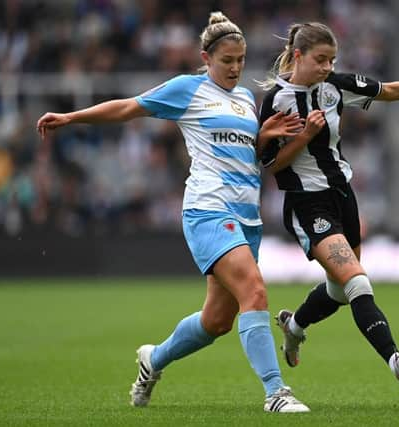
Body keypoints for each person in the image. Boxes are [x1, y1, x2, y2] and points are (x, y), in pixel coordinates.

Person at [36, 12, 310, 413]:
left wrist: (264, 136)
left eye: (240, 60)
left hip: (246, 217)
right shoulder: (188, 89)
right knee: (255, 290)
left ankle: (153, 360)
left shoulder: (246, 100)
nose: (235, 68)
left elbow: (250, 158)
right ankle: (275, 393)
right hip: (208, 211)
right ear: (205, 57)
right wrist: (72, 117)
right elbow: (130, 107)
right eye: (226, 61)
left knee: (216, 321)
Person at [258, 22, 399, 390]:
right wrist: (306, 136)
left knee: (340, 290)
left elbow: (390, 91)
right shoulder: (276, 101)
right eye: (320, 60)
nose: (327, 67)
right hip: (308, 205)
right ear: (298, 56)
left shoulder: (334, 87)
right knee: (357, 282)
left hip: (343, 195)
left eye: (332, 60)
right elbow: (270, 165)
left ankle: (294, 326)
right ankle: (395, 360)